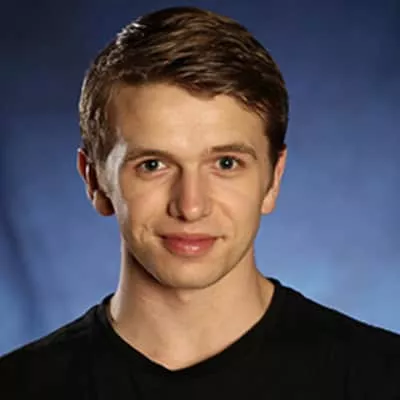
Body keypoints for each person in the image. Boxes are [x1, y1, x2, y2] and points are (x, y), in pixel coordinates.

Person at [0, 6, 399, 399]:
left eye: (226, 163)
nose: (191, 207)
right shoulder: (18, 386)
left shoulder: (383, 377)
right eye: (152, 165)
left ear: (273, 178)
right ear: (95, 181)